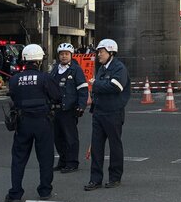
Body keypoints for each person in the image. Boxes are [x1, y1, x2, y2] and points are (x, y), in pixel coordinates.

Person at [5, 44, 62, 202]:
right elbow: (57, 96)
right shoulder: (45, 78)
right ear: (39, 60)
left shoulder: (15, 79)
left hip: (23, 122)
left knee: (19, 157)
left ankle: (15, 193)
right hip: (43, 121)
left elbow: (13, 96)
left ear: (24, 58)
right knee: (45, 157)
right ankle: (45, 190)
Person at [85, 39, 131, 191]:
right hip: (99, 112)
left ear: (111, 52)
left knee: (114, 146)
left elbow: (116, 86)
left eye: (101, 52)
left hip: (113, 113)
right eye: (98, 52)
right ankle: (95, 180)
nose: (99, 54)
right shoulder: (102, 68)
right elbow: (99, 88)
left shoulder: (119, 68)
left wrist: (96, 84)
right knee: (96, 147)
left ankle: (115, 178)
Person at [49, 42, 88, 174]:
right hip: (55, 109)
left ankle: (72, 163)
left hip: (69, 109)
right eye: (62, 54)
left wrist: (81, 106)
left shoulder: (76, 70)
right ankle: (63, 161)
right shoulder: (55, 69)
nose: (64, 56)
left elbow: (83, 89)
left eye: (66, 54)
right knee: (57, 137)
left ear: (71, 55)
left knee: (70, 137)